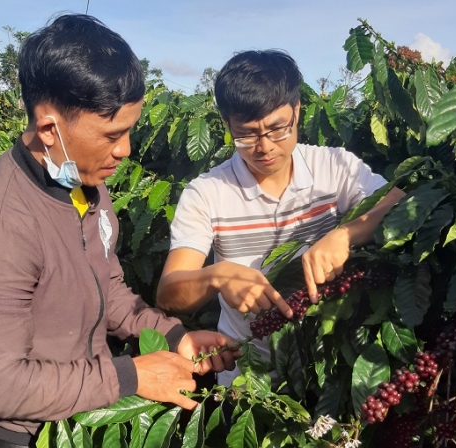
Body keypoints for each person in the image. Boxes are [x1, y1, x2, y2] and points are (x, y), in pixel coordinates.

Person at [0, 14, 239, 448]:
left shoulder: (85, 185)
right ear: (49, 128)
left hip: (81, 432)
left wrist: (174, 336)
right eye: (111, 135)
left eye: (129, 131)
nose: (125, 150)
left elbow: (108, 291)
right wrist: (132, 375)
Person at [156, 50, 404, 385]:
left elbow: (398, 204)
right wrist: (216, 277)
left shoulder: (334, 167)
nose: (265, 147)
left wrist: (346, 235)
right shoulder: (207, 193)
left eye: (278, 129)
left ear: (297, 111)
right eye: (246, 134)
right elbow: (169, 293)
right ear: (226, 124)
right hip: (246, 380)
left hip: (326, 372)